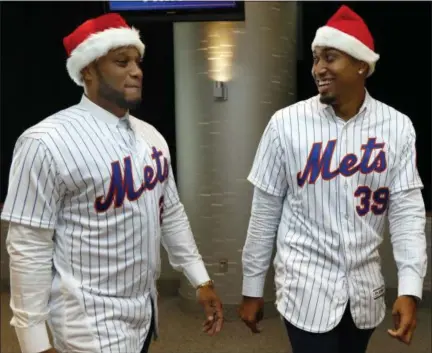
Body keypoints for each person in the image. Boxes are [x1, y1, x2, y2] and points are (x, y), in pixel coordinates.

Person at [2, 13, 223, 353]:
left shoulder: (152, 137)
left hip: (144, 312)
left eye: (137, 61)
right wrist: (33, 341)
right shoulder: (45, 141)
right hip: (86, 324)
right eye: (122, 62)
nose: (136, 71)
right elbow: (28, 245)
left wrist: (199, 277)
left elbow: (171, 213)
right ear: (87, 69)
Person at [238, 5, 427, 353]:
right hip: (305, 289)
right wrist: (252, 287)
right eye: (315, 58)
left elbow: (406, 213)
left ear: (361, 64)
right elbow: (265, 211)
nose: (318, 68)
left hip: (364, 292)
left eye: (330, 57)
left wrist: (410, 287)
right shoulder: (285, 124)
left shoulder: (398, 127)